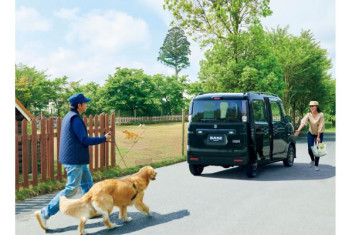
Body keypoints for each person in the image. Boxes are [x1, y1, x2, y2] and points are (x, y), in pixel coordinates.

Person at [35, 93, 112, 230]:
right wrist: (103, 138)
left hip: (77, 159)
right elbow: (84, 140)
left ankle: (90, 211)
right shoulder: (75, 119)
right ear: (79, 105)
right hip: (74, 160)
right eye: (85, 103)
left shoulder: (68, 116)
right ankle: (45, 213)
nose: (86, 105)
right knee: (71, 189)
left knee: (87, 184)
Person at [294, 101, 325, 171]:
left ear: (316, 106)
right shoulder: (308, 114)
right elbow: (303, 122)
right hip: (311, 133)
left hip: (319, 133)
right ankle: (312, 160)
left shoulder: (321, 115)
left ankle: (316, 165)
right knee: (310, 149)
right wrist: (298, 130)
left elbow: (321, 126)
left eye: (313, 106)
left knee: (318, 149)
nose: (311, 107)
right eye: (310, 106)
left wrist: (318, 137)